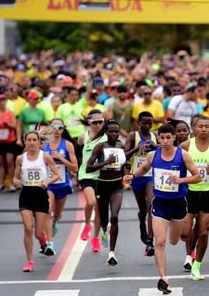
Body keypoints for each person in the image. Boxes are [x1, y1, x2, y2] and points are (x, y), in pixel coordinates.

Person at [123, 124, 201, 294]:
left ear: (174, 138)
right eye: (162, 138)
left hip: (178, 203)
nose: (165, 141)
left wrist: (180, 181)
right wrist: (133, 175)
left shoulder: (183, 155)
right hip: (160, 204)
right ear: (158, 138)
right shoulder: (153, 155)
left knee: (174, 240)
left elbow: (197, 176)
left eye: (168, 138)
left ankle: (181, 234)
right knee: (160, 242)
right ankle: (163, 279)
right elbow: (144, 168)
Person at [180, 115, 209, 281]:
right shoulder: (185, 146)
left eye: (207, 126)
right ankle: (189, 253)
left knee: (204, 232)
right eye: (200, 126)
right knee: (185, 233)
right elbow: (176, 166)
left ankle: (197, 265)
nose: (203, 129)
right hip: (188, 193)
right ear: (194, 128)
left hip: (208, 193)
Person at [86, 120, 134, 266]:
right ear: (106, 132)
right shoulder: (100, 147)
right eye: (111, 131)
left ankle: (111, 253)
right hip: (102, 185)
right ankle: (103, 230)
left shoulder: (121, 145)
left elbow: (125, 157)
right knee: (104, 218)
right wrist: (106, 162)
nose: (114, 134)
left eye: (116, 131)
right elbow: (89, 168)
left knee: (114, 216)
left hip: (116, 185)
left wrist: (137, 149)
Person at [13, 131, 60, 272]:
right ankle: (30, 261)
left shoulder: (45, 156)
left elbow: (57, 174)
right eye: (29, 140)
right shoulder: (20, 159)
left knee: (39, 233)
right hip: (26, 194)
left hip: (40, 194)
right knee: (28, 228)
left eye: (34, 140)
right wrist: (17, 182)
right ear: (25, 141)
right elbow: (15, 177)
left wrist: (47, 182)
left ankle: (44, 242)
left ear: (39, 142)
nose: (32, 142)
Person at [125, 111, 158, 256]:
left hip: (151, 175)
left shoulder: (155, 136)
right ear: (139, 123)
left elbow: (163, 150)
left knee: (151, 205)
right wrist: (136, 149)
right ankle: (141, 223)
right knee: (143, 209)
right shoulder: (133, 136)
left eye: (150, 123)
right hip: (137, 176)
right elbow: (124, 154)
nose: (147, 125)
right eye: (144, 123)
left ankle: (150, 242)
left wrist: (155, 148)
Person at [77, 110, 108, 252]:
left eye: (100, 122)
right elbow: (79, 150)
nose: (98, 124)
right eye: (95, 122)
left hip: (102, 176)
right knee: (91, 202)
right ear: (89, 122)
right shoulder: (83, 136)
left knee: (100, 210)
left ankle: (95, 237)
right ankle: (87, 224)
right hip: (86, 175)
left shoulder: (107, 137)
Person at [43, 119, 78, 239]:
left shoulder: (68, 145)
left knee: (57, 214)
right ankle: (49, 242)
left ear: (63, 129)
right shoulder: (43, 144)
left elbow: (75, 168)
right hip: (47, 183)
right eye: (54, 127)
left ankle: (54, 222)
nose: (57, 130)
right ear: (50, 128)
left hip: (62, 183)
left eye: (60, 128)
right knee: (48, 210)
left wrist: (60, 158)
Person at [0, 94, 18, 192]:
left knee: (9, 161)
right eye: (0, 100)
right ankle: (1, 182)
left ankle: (11, 182)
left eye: (3, 100)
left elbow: (14, 126)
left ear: (6, 101)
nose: (2, 102)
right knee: (0, 162)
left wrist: (8, 124)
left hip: (10, 140)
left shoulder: (10, 113)